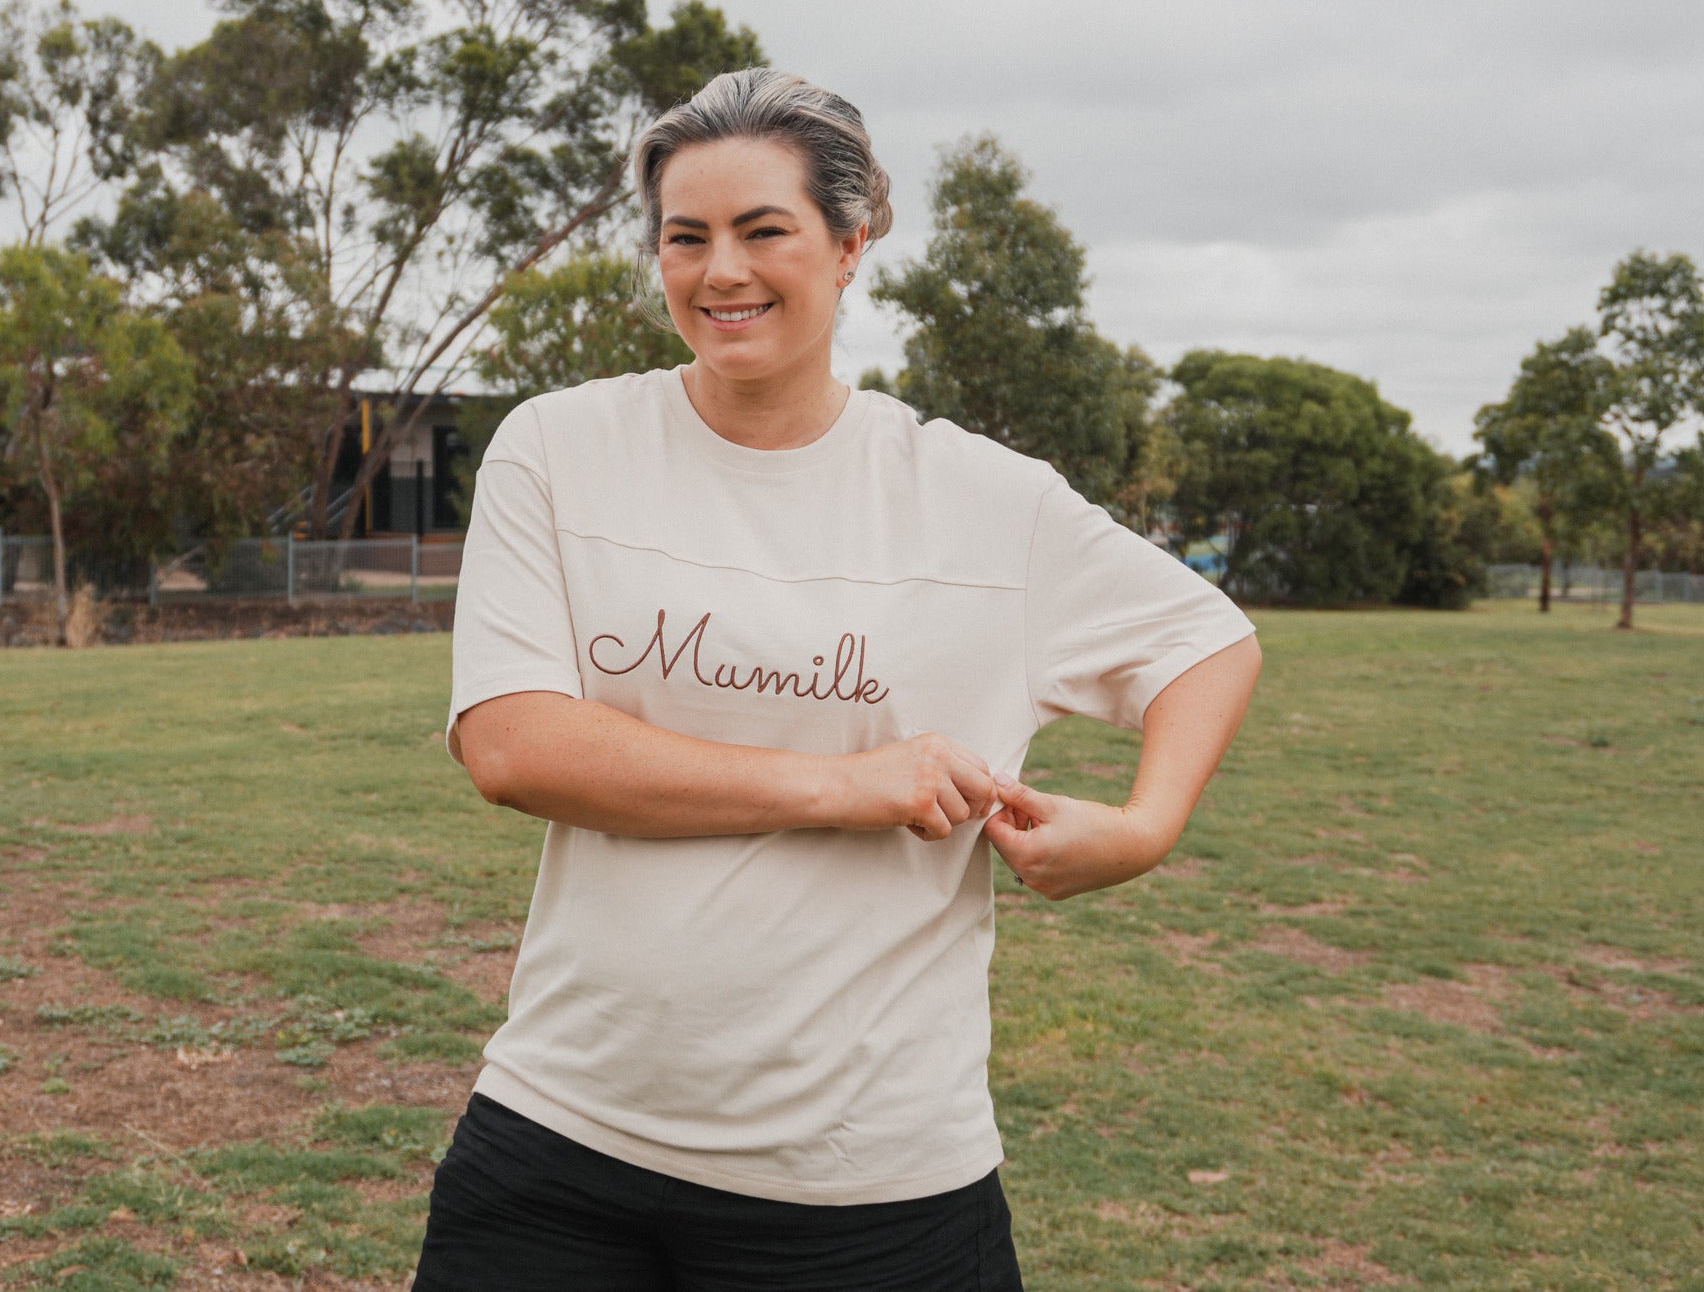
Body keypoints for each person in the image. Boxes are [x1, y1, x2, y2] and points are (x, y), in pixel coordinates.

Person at [416, 68, 1262, 1291]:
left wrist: (1143, 823)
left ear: (851, 242)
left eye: (765, 231)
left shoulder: (983, 499)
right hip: (560, 1141)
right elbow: (514, 747)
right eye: (686, 236)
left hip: (869, 1186)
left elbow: (1203, 638)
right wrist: (850, 783)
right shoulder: (561, 447)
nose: (722, 273)